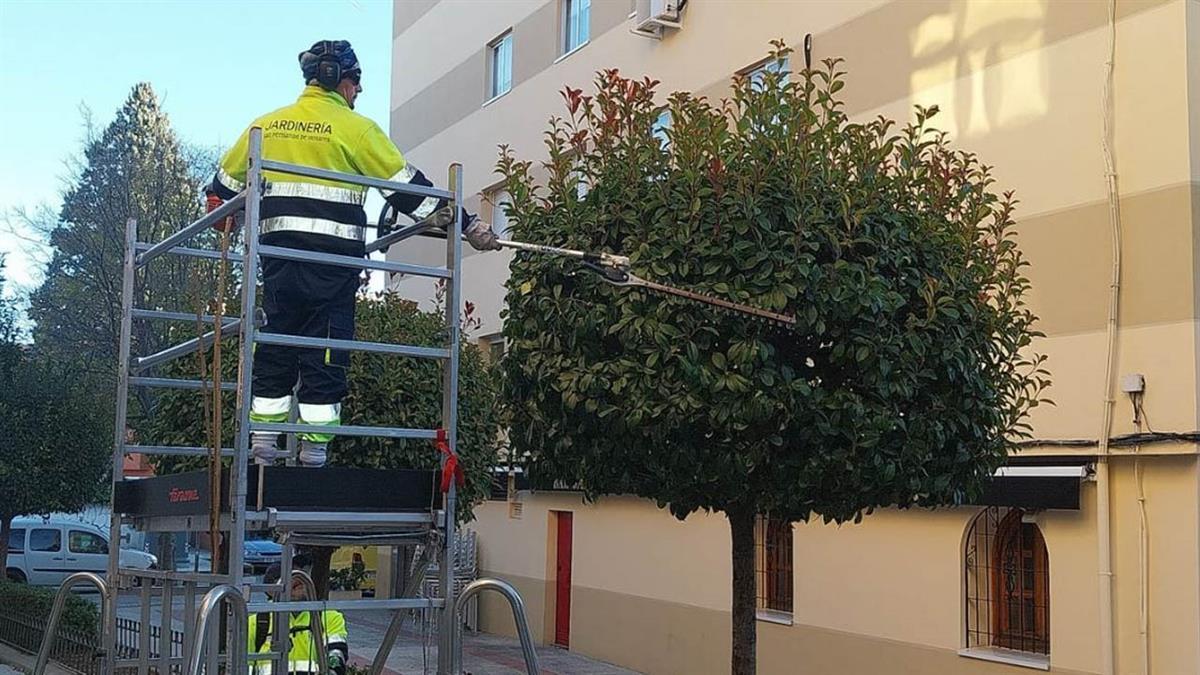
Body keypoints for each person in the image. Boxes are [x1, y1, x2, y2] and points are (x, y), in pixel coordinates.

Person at [207, 40, 500, 467]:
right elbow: (409, 190)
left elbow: (223, 192)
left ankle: (263, 449)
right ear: (335, 78)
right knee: (325, 358)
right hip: (333, 269)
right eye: (355, 82)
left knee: (272, 349)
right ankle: (313, 456)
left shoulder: (265, 127)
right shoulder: (355, 130)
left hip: (278, 267)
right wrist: (466, 221)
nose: (358, 91)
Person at [248, 554, 348, 675]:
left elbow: (336, 654)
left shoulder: (329, 617)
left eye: (302, 581)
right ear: (272, 590)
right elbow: (245, 665)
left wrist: (333, 667)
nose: (299, 585)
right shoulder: (258, 621)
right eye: (294, 584)